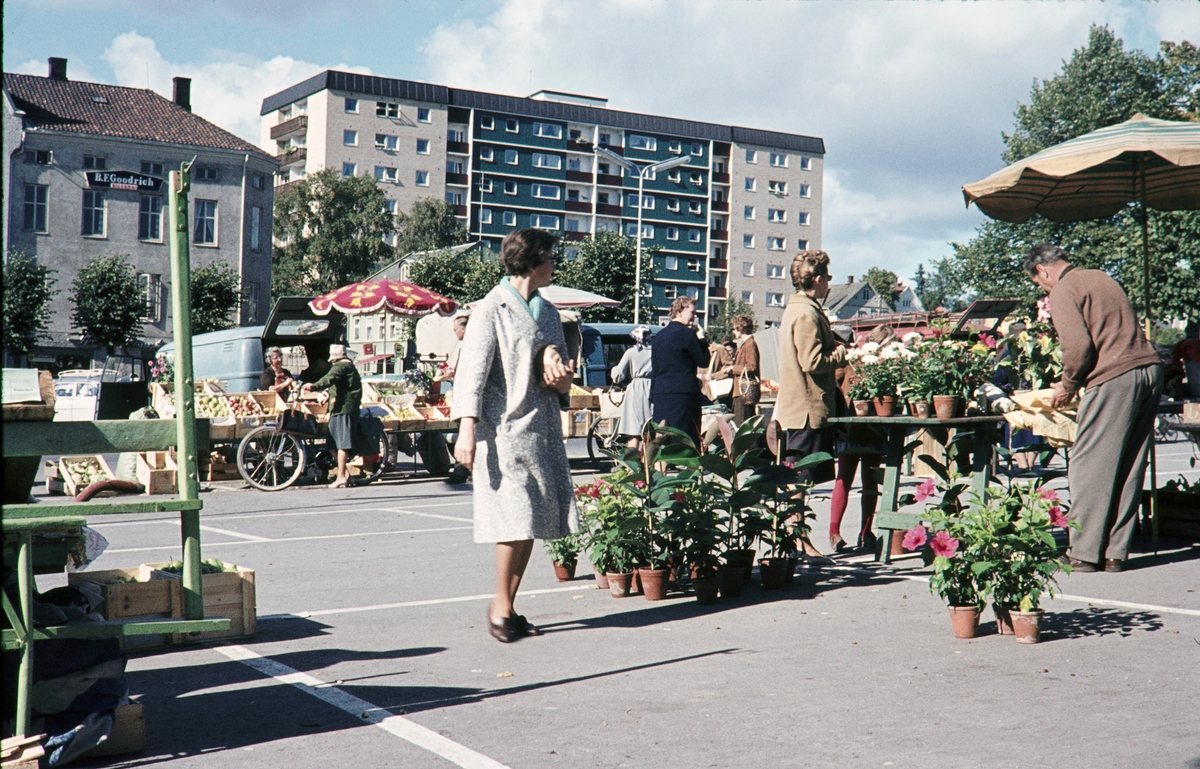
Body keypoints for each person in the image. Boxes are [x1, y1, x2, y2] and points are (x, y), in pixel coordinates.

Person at [451, 229, 578, 643]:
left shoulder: (548, 312)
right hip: (501, 430)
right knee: (515, 518)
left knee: (531, 522)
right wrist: (466, 430)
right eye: (551, 257)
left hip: (538, 429)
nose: (555, 264)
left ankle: (507, 604)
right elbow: (470, 372)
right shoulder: (491, 308)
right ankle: (500, 608)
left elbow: (560, 378)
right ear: (532, 260)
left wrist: (562, 377)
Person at [1024, 244, 1163, 573]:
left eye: (1038, 283)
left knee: (1088, 464)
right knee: (1129, 465)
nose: (1042, 289)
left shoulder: (1063, 289)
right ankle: (1115, 553)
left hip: (1114, 376)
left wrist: (1068, 385)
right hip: (1150, 369)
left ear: (1043, 271)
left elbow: (1078, 347)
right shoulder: (1101, 277)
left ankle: (1083, 554)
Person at [776, 250, 848, 558]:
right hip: (805, 409)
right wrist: (843, 353)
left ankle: (798, 541)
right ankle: (798, 542)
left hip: (796, 408)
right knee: (799, 483)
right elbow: (812, 360)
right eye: (828, 279)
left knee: (797, 482)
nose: (829, 284)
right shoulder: (806, 313)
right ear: (817, 280)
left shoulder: (795, 309)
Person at [828, 324, 894, 553]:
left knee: (844, 479)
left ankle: (835, 533)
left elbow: (832, 380)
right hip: (868, 428)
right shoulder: (879, 364)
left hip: (852, 426)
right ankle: (864, 532)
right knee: (868, 481)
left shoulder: (851, 360)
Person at [301, 344, 365, 489]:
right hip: (339, 408)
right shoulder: (345, 367)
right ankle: (346, 474)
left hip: (344, 409)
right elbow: (337, 385)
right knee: (331, 444)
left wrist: (313, 386)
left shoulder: (342, 366)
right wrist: (327, 395)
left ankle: (341, 476)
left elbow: (329, 379)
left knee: (342, 443)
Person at [650, 296, 711, 447]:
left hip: (661, 392)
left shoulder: (658, 337)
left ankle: (660, 469)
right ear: (679, 311)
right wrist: (702, 340)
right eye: (692, 312)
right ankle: (691, 468)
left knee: (662, 437)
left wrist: (653, 395)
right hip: (683, 393)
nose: (695, 316)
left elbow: (655, 369)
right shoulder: (688, 334)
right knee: (686, 437)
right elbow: (703, 361)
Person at [610, 326, 655, 449]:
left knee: (633, 431)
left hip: (635, 389)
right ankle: (648, 462)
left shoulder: (631, 352)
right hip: (652, 388)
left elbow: (619, 374)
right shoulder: (655, 351)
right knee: (650, 430)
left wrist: (614, 372)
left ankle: (633, 465)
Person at [724, 315, 761, 425]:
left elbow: (752, 366)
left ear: (741, 328)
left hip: (744, 392)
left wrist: (733, 368)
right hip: (740, 392)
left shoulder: (750, 344)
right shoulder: (745, 344)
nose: (733, 331)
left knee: (742, 427)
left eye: (734, 328)